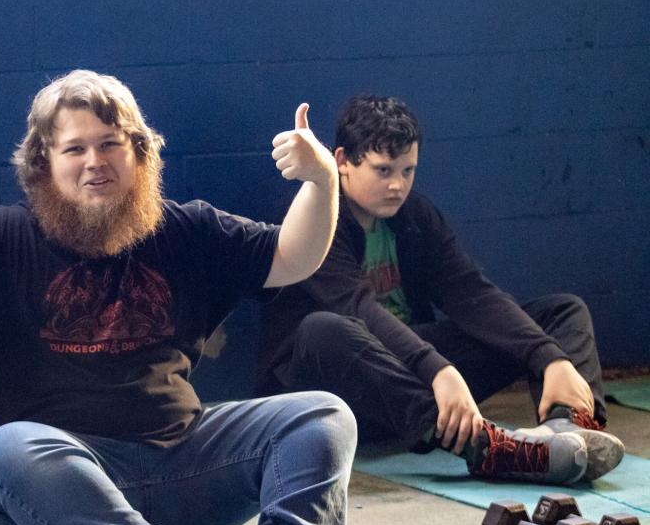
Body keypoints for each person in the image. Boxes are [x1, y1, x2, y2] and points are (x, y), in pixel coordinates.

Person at [0, 69, 356, 525]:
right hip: (43, 501)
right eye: (74, 148)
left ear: (139, 153)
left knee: (322, 415)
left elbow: (291, 258)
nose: (94, 161)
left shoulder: (184, 230)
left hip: (176, 468)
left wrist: (322, 182)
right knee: (6, 449)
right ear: (42, 164)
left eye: (109, 144)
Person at [257, 95, 624, 486]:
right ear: (343, 161)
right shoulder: (317, 217)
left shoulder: (415, 216)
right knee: (324, 329)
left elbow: (472, 294)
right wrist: (440, 370)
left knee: (562, 312)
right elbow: (358, 309)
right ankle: (484, 447)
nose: (398, 185)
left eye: (408, 170)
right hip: (342, 388)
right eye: (383, 171)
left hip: (409, 369)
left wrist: (551, 358)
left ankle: (569, 427)